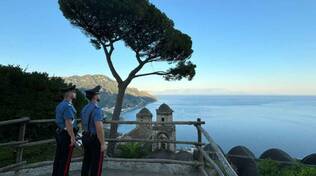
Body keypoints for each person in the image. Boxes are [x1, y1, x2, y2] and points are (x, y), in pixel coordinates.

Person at [81, 85, 106, 176]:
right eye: (98, 94)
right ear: (95, 96)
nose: (100, 96)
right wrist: (102, 143)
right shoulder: (97, 110)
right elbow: (99, 128)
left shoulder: (84, 108)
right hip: (95, 140)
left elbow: (84, 124)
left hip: (86, 137)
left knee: (87, 161)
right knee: (96, 164)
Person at [52, 85, 77, 176]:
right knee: (65, 160)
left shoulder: (60, 105)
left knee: (58, 158)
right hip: (66, 135)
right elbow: (68, 123)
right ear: (69, 94)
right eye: (74, 92)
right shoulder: (68, 106)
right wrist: (72, 137)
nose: (75, 93)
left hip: (60, 133)